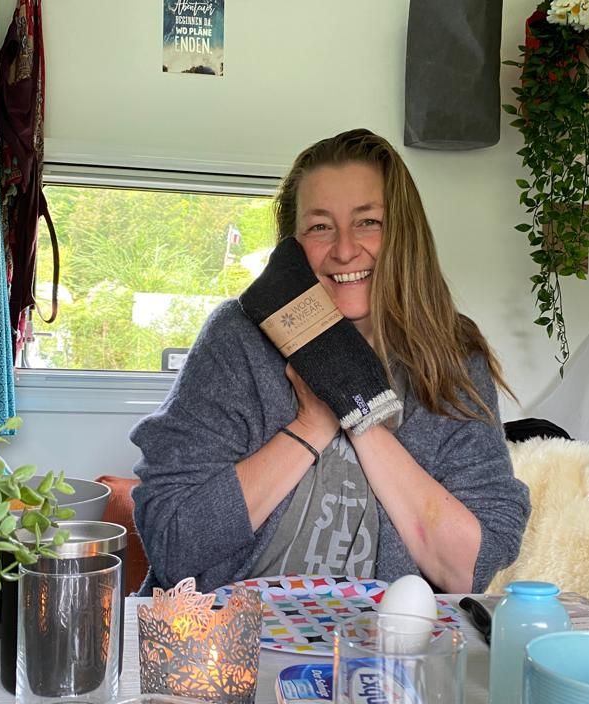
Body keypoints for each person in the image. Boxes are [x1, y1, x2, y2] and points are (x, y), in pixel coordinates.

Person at [130, 128, 530, 595]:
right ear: (292, 247)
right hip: (224, 630)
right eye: (320, 227)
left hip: (381, 637)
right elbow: (173, 543)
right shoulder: (236, 338)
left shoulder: (453, 355)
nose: (344, 249)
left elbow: (470, 569)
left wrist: (353, 401)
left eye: (368, 222)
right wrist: (311, 423)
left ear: (404, 235)